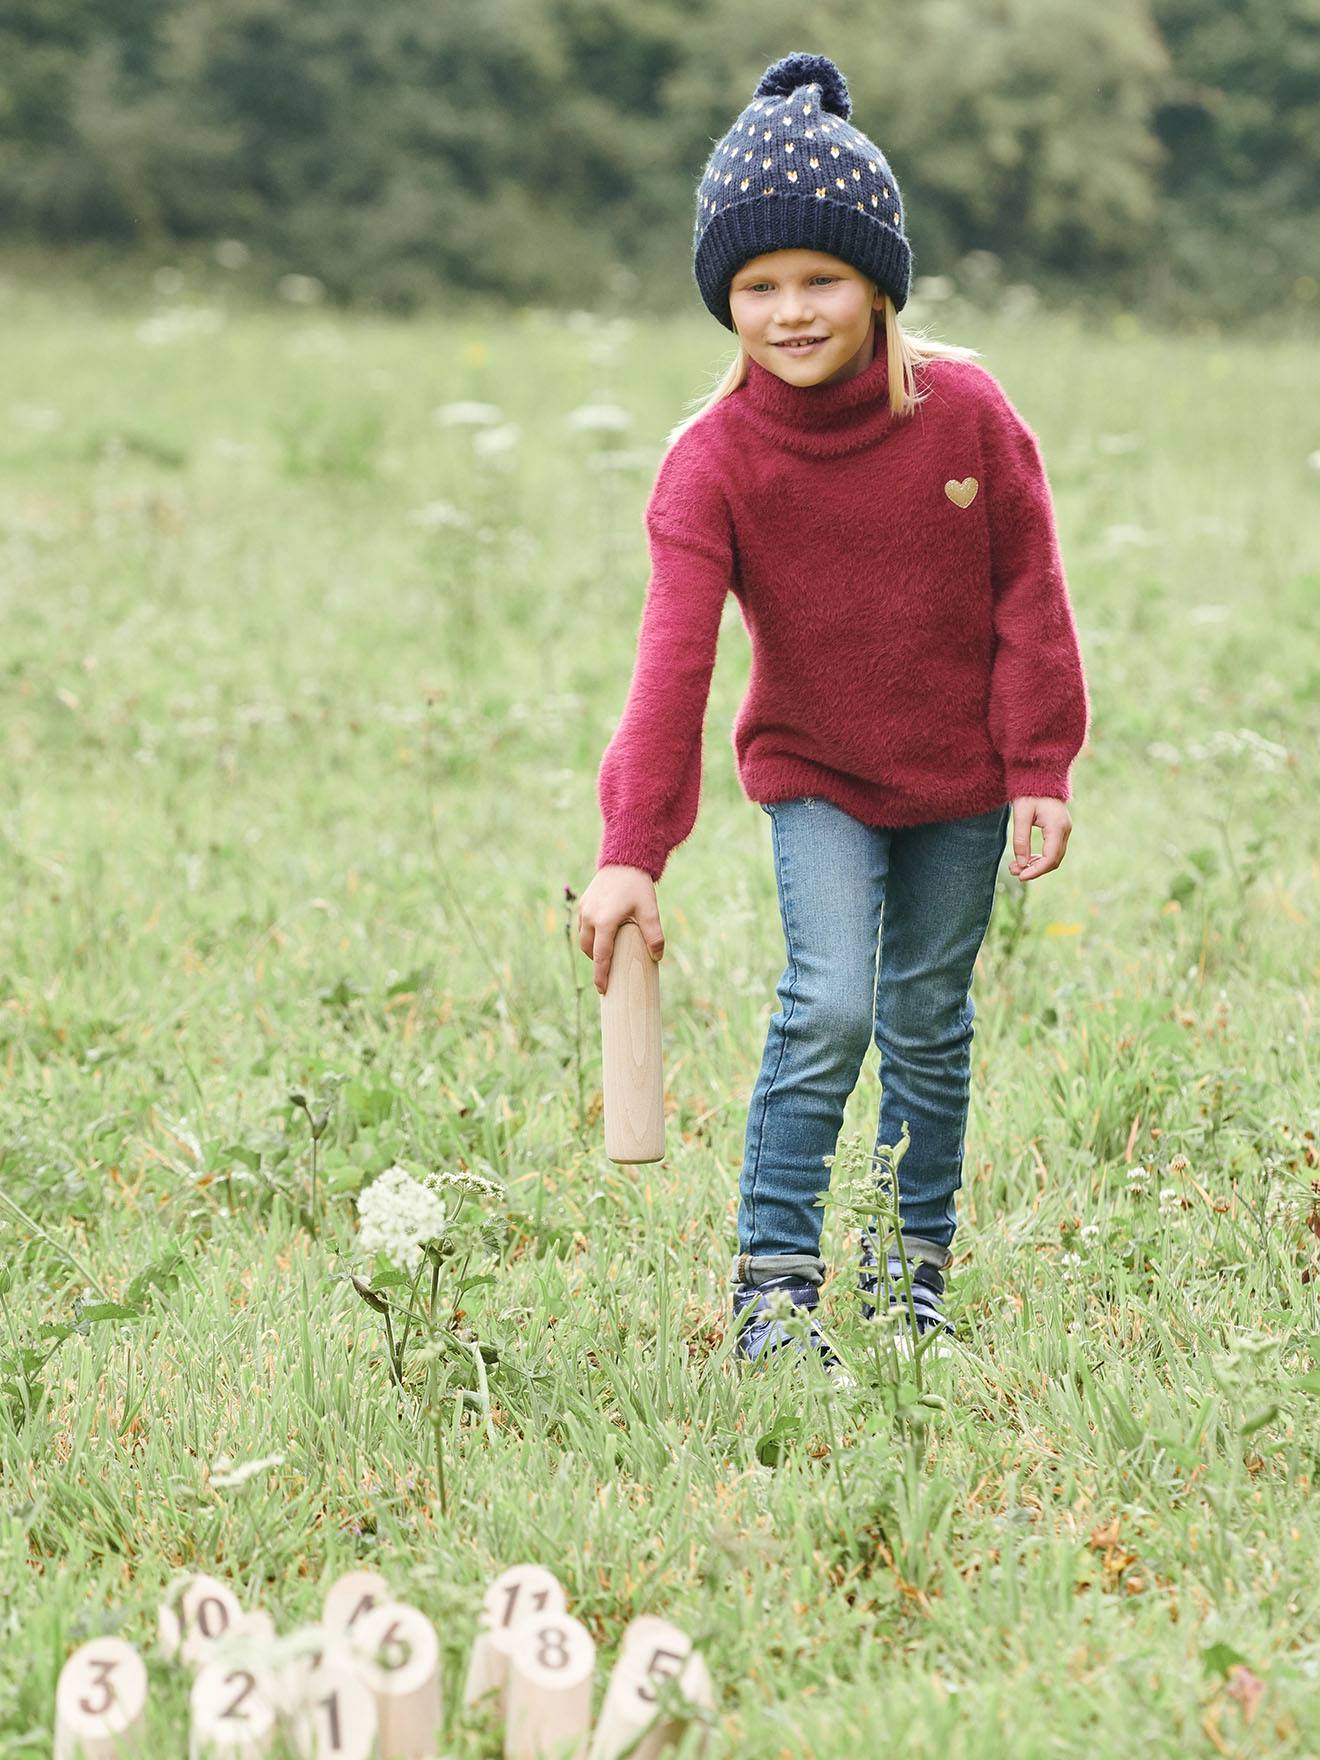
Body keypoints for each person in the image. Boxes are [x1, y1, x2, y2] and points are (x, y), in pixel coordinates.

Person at [576, 50, 1091, 1379]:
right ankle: (773, 1285)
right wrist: (632, 849)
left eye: (821, 278)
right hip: (814, 771)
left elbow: (1029, 589)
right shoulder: (713, 464)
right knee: (830, 1007)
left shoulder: (967, 414)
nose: (790, 310)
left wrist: (1042, 758)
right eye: (757, 285)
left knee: (928, 1015)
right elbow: (672, 660)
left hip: (965, 779)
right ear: (722, 297)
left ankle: (912, 1274)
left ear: (878, 282)